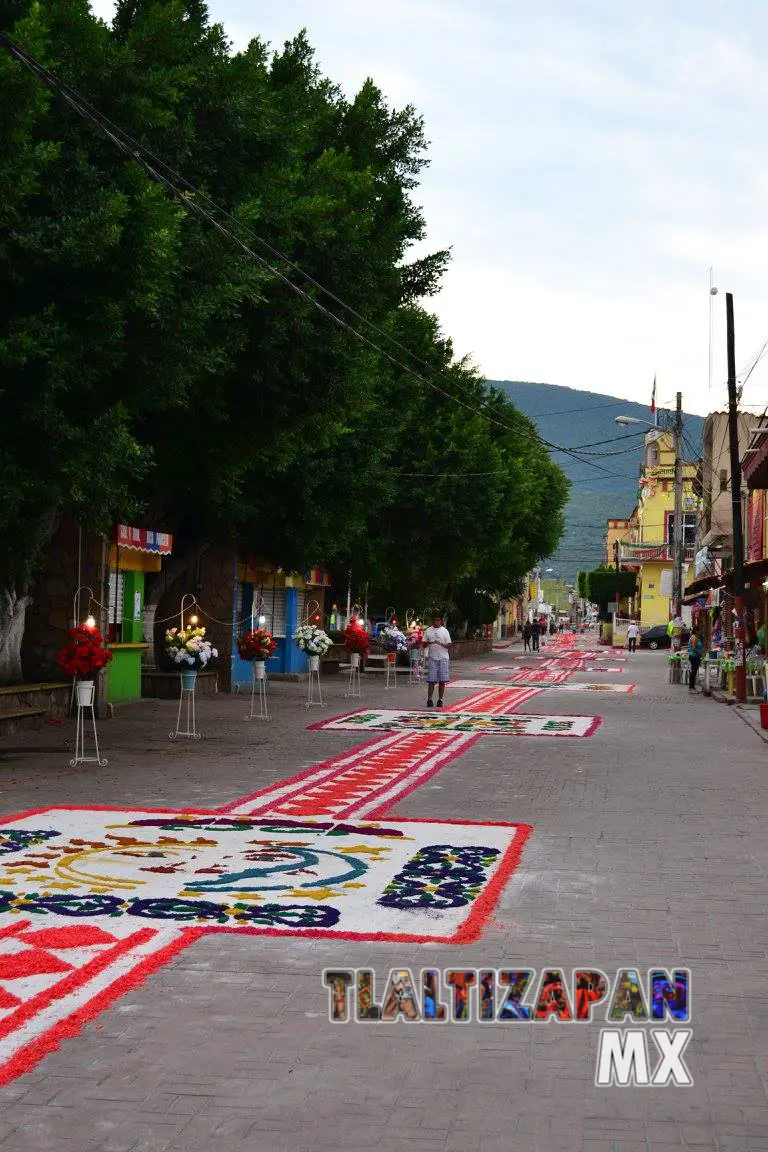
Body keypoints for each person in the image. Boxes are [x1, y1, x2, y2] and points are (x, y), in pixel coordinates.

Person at [425, 611, 452, 708]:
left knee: (442, 680)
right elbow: (424, 643)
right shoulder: (428, 630)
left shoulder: (444, 631)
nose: (435, 622)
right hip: (432, 657)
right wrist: (429, 643)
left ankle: (440, 699)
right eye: (434, 620)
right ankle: (429, 699)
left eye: (437, 620)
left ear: (441, 621)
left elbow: (449, 645)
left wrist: (441, 643)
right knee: (431, 680)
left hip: (443, 658)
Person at [688, 626, 704, 692]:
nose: (700, 632)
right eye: (699, 631)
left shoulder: (696, 637)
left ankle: (692, 687)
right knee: (693, 672)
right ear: (696, 631)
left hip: (695, 656)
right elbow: (694, 648)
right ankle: (691, 688)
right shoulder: (694, 637)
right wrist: (700, 654)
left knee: (694, 672)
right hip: (694, 656)